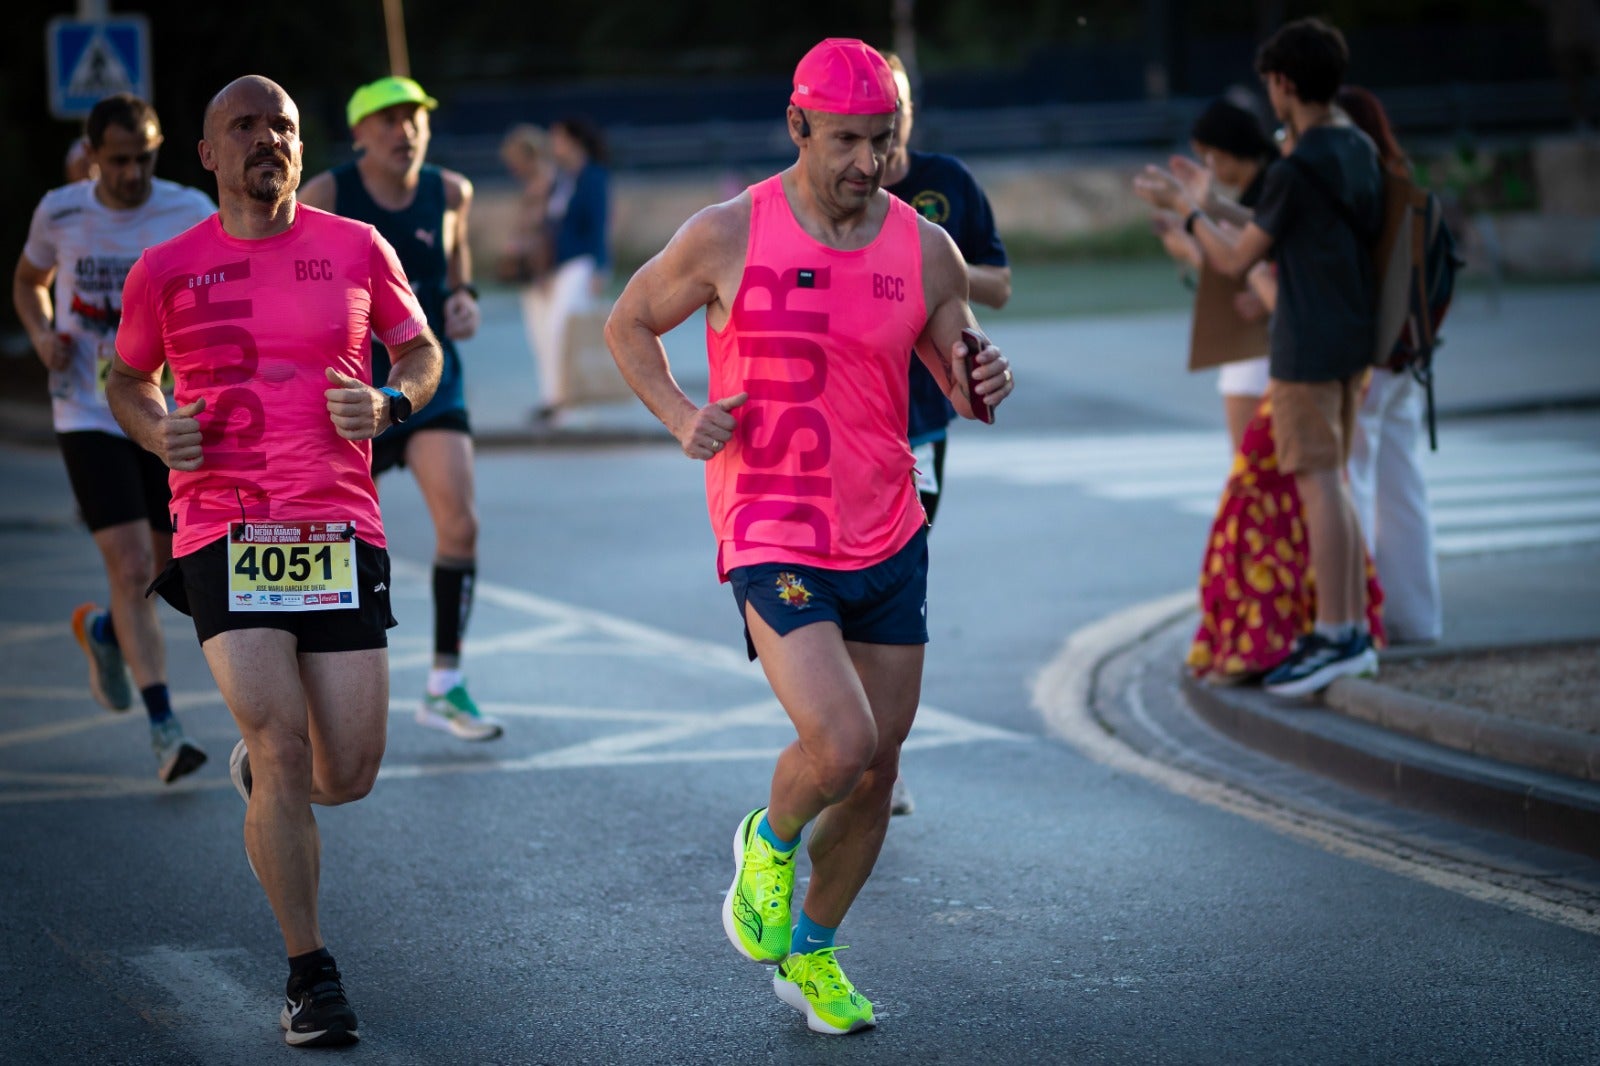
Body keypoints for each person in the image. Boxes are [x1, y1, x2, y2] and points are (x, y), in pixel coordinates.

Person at [605, 38, 1013, 1036]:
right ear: (796, 128)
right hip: (770, 522)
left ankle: (815, 953)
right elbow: (627, 323)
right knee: (841, 739)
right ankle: (768, 836)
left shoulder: (923, 247)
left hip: (887, 525)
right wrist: (677, 414)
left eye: (884, 140)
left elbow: (956, 371)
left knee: (877, 768)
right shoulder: (727, 231)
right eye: (845, 141)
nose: (866, 163)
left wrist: (982, 381)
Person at [106, 75, 442, 1048]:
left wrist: (389, 406)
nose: (267, 140)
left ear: (301, 146)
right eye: (243, 127)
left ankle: (264, 771)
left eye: (282, 127)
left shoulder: (356, 248)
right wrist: (156, 429)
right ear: (207, 154)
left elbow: (419, 353)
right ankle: (310, 974)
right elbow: (125, 377)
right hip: (224, 527)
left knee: (350, 767)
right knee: (288, 745)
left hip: (339, 528)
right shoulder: (166, 269)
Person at [1135, 17, 1382, 698]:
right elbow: (1281, 221)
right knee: (1337, 482)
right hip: (1354, 341)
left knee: (1319, 484)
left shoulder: (1299, 164)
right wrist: (1209, 199)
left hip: (1305, 343)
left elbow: (1236, 257)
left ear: (1281, 83)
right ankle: (1350, 626)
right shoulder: (1354, 147)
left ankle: (1334, 633)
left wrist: (1189, 216)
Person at [13, 93, 213, 783]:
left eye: (146, 158)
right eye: (119, 160)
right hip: (89, 411)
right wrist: (42, 335)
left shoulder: (189, 209)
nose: (133, 174)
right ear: (91, 156)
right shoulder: (61, 211)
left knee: (164, 569)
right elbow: (28, 281)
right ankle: (165, 729)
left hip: (161, 411)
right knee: (129, 568)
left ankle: (104, 632)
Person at [298, 76, 502, 741]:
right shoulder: (327, 196)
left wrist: (464, 293)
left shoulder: (450, 192)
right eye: (386, 120)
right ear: (359, 134)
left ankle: (445, 683)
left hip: (427, 379)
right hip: (350, 392)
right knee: (322, 536)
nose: (403, 130)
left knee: (462, 526)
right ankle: (301, 675)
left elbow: (455, 249)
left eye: (414, 117)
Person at [878, 50, 1011, 818]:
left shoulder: (947, 185)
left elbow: (998, 280)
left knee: (901, 576)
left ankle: (883, 764)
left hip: (924, 423)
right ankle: (848, 742)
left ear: (908, 110)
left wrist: (936, 264)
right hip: (841, 428)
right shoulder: (829, 190)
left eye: (894, 108)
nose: (883, 128)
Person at [1334, 85, 1443, 645]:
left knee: (1353, 486)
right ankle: (1416, 618)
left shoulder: (1358, 187)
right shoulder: (1405, 185)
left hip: (1367, 360)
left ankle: (1363, 621)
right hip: (1409, 357)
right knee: (1404, 491)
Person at [1149, 98, 1281, 452]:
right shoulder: (1270, 186)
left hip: (1265, 345)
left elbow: (1237, 262)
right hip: (1274, 340)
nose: (1209, 166)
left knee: (1251, 465)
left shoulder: (1277, 185)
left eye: (1211, 156)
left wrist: (1188, 239)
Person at [521, 116, 611, 424]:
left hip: (582, 264)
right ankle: (554, 399)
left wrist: (602, 266)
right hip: (557, 266)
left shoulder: (593, 176)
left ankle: (567, 401)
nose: (554, 145)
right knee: (547, 332)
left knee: (564, 330)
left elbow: (600, 223)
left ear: (573, 141)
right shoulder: (562, 178)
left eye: (558, 138)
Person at [498, 123, 554, 287]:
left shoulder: (545, 183)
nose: (512, 167)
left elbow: (540, 226)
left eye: (514, 160)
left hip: (545, 266)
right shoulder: (532, 184)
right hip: (535, 265)